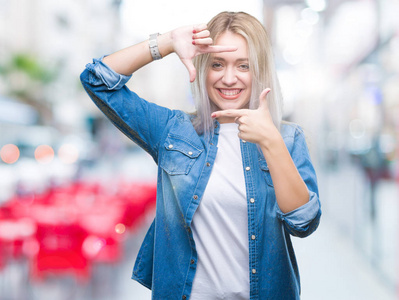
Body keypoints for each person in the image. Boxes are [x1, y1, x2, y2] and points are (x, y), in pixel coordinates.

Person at [80, 11, 321, 300]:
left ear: (259, 70)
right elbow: (97, 80)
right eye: (217, 64)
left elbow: (304, 223)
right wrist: (167, 42)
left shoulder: (287, 139)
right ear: (203, 68)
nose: (229, 78)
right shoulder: (173, 131)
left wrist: (271, 141)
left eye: (243, 65)